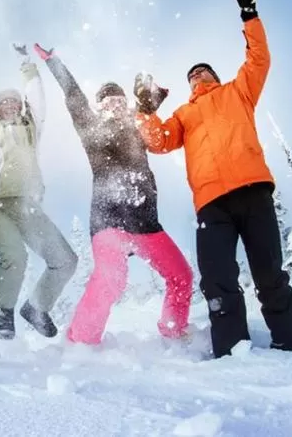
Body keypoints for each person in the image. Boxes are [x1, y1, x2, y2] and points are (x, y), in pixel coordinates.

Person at [134, 0, 292, 358]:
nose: (198, 75)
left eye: (203, 70)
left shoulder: (237, 91)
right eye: (192, 74)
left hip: (253, 192)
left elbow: (259, 59)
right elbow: (159, 141)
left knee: (268, 272)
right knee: (217, 279)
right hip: (211, 203)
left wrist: (250, 15)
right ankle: (230, 350)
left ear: (214, 74)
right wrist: (144, 110)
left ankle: (289, 342)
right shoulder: (183, 114)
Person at [34, 44, 194, 345]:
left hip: (145, 222)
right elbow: (74, 97)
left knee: (181, 275)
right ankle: (81, 343)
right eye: (108, 102)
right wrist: (55, 62)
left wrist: (150, 99)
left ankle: (174, 333)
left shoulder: (137, 130)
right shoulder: (92, 130)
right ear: (100, 107)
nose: (115, 105)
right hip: (110, 222)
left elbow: (152, 116)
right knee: (111, 280)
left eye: (119, 100)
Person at [0, 53, 77, 339]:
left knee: (65, 260)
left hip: (28, 207)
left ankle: (37, 308)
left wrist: (27, 64)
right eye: (3, 103)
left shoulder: (31, 129)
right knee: (15, 256)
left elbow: (37, 98)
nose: (10, 105)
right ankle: (3, 312)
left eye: (14, 101)